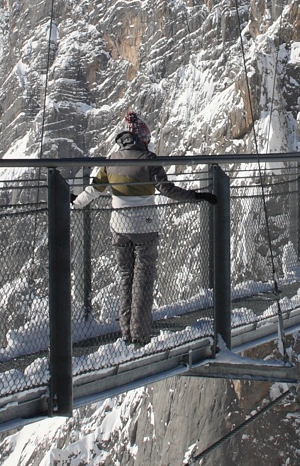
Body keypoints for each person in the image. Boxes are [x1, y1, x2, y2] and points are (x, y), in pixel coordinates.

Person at [73, 111, 218, 344]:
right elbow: (167, 190)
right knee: (143, 278)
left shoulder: (111, 161)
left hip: (118, 226)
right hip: (145, 226)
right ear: (143, 139)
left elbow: (94, 189)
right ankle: (139, 334)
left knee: (125, 277)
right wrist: (198, 196)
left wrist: (75, 201)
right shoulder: (149, 160)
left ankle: (125, 332)